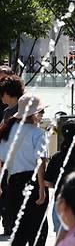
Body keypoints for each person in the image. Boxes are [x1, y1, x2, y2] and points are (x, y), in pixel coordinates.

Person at [0, 93, 49, 246]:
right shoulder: (38, 133)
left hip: (13, 183)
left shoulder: (7, 132)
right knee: (39, 230)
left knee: (19, 225)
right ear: (35, 114)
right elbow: (40, 162)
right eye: (41, 111)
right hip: (32, 180)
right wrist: (41, 189)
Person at [0, 74, 24, 236]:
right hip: (9, 161)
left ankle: (12, 226)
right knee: (8, 195)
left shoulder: (22, 111)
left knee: (12, 195)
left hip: (18, 162)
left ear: (8, 93)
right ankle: (10, 225)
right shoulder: (8, 111)